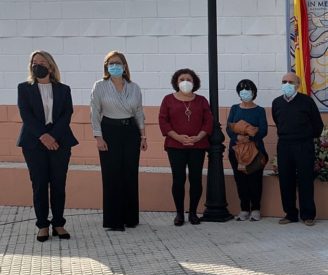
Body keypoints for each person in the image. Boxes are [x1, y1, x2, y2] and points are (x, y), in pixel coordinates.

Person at [17, 51, 78, 242]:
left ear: (50, 66)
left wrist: (53, 136)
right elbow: (26, 115)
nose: (38, 65)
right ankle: (42, 225)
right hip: (34, 142)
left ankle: (58, 223)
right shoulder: (24, 88)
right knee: (40, 184)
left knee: (59, 184)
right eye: (34, 62)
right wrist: (43, 136)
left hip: (60, 140)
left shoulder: (63, 89)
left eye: (42, 62)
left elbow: (67, 114)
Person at [90, 51, 147, 231]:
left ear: (124, 66)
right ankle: (114, 220)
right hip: (109, 131)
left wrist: (143, 136)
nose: (115, 66)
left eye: (118, 63)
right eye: (111, 63)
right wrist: (98, 137)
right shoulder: (99, 86)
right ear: (106, 66)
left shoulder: (134, 87)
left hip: (131, 131)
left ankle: (130, 218)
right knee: (112, 174)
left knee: (130, 173)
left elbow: (139, 112)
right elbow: (94, 112)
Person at [158, 69, 213, 226]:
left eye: (189, 79)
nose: (185, 82)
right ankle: (180, 214)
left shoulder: (202, 100)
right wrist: (178, 137)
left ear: (194, 82)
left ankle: (194, 213)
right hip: (175, 146)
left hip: (198, 145)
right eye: (182, 79)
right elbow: (163, 121)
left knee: (195, 179)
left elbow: (208, 121)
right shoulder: (168, 99)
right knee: (178, 179)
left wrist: (199, 137)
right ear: (176, 82)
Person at [271, 73, 324, 225]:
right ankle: (290, 214)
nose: (287, 84)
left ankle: (308, 215)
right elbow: (277, 120)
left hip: (303, 145)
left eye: (290, 82)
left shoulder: (307, 102)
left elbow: (317, 125)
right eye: (284, 81)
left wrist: (305, 137)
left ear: (298, 85)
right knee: (286, 180)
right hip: (284, 145)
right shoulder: (277, 103)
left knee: (305, 180)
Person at [227, 79, 268, 222]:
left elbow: (263, 130)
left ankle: (256, 209)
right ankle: (244, 209)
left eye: (248, 89)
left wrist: (250, 138)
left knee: (255, 181)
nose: (245, 92)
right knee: (241, 180)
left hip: (255, 151)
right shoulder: (234, 108)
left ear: (254, 92)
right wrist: (238, 136)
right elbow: (229, 128)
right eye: (242, 89)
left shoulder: (260, 110)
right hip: (236, 151)